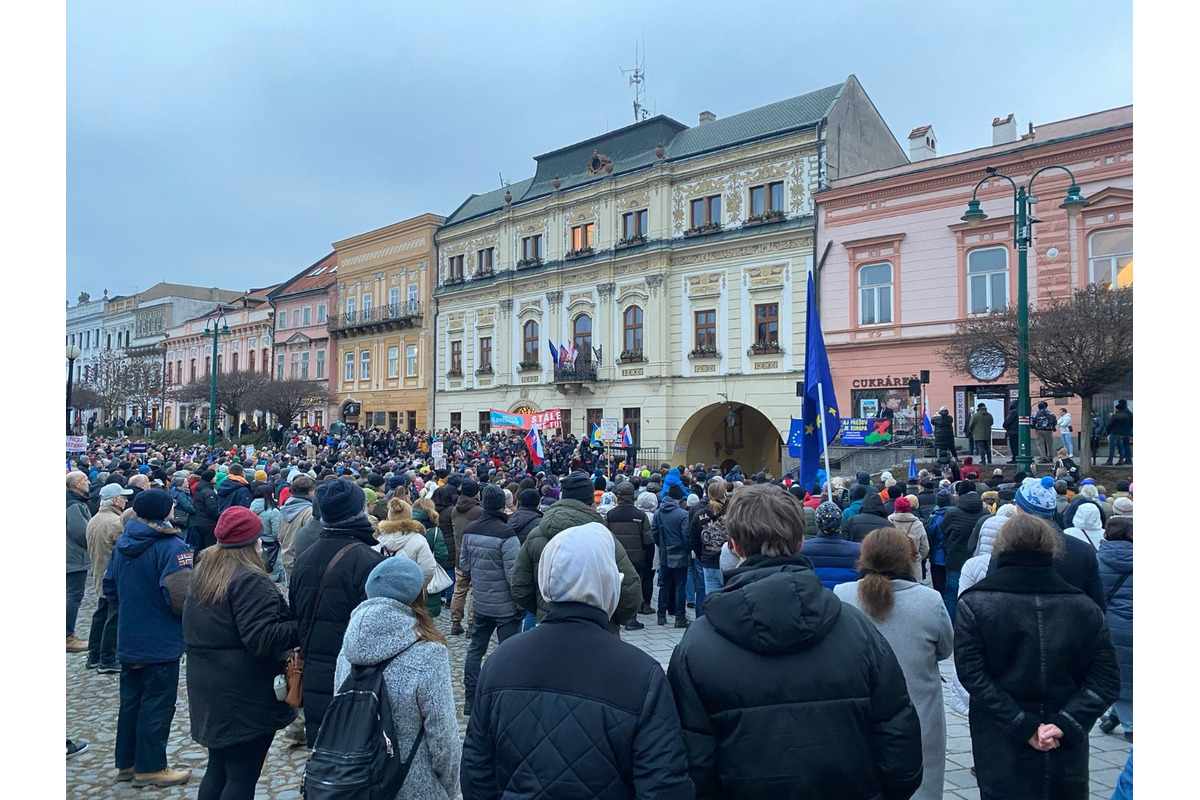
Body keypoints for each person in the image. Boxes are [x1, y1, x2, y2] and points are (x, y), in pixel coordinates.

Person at [667, 484, 922, 799]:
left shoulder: (697, 645)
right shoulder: (858, 629)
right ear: (800, 542)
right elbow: (900, 740)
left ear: (735, 546)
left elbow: (690, 760)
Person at [461, 522, 693, 800]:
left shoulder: (500, 661)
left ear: (545, 580)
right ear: (608, 582)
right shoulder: (642, 675)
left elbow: (476, 769)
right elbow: (664, 786)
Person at [955, 514, 1119, 800]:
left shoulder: (975, 603)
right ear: (1052, 549)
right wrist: (1065, 723)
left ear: (1001, 547)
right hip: (1062, 742)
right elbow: (1106, 680)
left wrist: (1023, 724)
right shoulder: (1085, 607)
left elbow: (973, 676)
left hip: (1002, 737)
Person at [183, 506, 299, 800]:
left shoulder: (205, 570)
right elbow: (262, 638)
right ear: (253, 541)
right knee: (241, 776)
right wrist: (302, 625)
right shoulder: (248, 579)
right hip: (242, 692)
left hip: (210, 684)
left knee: (219, 769)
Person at [834, 528, 954, 800]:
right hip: (919, 712)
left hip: (860, 713)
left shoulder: (843, 596)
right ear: (906, 558)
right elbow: (945, 650)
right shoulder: (930, 601)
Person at [335, 557, 461, 799]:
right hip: (413, 785)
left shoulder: (347, 649)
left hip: (356, 781)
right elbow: (444, 739)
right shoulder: (429, 653)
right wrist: (450, 790)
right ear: (419, 595)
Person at [103, 488, 195, 787]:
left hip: (130, 634)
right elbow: (180, 598)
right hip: (160, 638)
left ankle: (127, 762)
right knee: (158, 702)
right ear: (165, 511)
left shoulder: (123, 542)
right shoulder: (172, 547)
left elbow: (109, 586)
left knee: (131, 701)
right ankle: (151, 766)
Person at [288, 478, 386, 744]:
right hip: (355, 674)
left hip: (314, 669)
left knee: (322, 748)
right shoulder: (369, 561)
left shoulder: (304, 558)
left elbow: (294, 613)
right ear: (358, 512)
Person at [510, 471, 641, 635]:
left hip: (550, 627)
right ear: (591, 503)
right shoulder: (604, 538)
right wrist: (610, 617)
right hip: (598, 630)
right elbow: (630, 589)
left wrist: (542, 608)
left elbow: (519, 586)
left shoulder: (536, 534)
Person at [459, 485, 524, 715]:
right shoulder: (507, 534)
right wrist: (520, 604)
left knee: (475, 650)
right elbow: (513, 575)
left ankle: (470, 699)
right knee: (508, 654)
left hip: (481, 603)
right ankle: (505, 700)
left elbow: (464, 565)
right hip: (506, 607)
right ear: (502, 506)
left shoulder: (470, 530)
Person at [85, 482, 133, 672]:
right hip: (113, 577)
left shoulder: (95, 519)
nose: (126, 500)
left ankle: (94, 655)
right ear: (115, 500)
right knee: (113, 619)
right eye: (123, 497)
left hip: (99, 573)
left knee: (101, 616)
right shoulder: (115, 523)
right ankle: (107, 659)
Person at [1096, 516, 1133, 742]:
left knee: (1118, 675)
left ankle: (1130, 725)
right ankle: (1116, 717)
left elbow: (1096, 596)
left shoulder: (1099, 561)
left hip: (1114, 624)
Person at [605, 481, 654, 629]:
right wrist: (648, 560)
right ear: (633, 496)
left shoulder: (610, 515)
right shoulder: (640, 515)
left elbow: (606, 538)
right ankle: (632, 619)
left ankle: (616, 617)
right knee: (634, 587)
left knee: (616, 587)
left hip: (616, 558)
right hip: (636, 559)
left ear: (618, 496)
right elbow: (648, 540)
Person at [939, 486, 990, 621]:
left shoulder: (953, 513)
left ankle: (951, 624)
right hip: (977, 560)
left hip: (955, 559)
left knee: (951, 595)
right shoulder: (985, 513)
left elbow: (942, 530)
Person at [653, 484, 693, 627]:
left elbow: (654, 532)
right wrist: (687, 549)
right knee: (680, 587)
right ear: (679, 498)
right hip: (680, 553)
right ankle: (680, 617)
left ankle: (661, 615)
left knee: (664, 585)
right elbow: (686, 535)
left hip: (665, 552)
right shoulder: (682, 514)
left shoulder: (658, 512)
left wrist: (661, 545)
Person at [800, 501, 861, 589]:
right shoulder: (858, 550)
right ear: (840, 521)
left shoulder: (803, 549)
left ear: (817, 522)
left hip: (815, 594)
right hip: (845, 595)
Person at [449, 479, 483, 636]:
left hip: (459, 555)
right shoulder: (479, 511)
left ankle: (455, 622)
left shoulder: (454, 510)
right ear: (476, 493)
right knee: (474, 592)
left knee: (459, 590)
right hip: (475, 556)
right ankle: (471, 625)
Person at [66, 470, 93, 653]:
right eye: (85, 480)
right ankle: (67, 636)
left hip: (72, 555)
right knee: (74, 595)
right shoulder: (74, 504)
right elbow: (81, 532)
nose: (88, 483)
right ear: (77, 484)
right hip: (74, 556)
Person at [689, 480, 729, 601]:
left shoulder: (699, 514)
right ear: (724, 494)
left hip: (709, 562)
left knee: (712, 600)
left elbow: (693, 539)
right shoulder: (732, 513)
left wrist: (703, 556)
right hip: (728, 561)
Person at [412, 497, 451, 617]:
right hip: (429, 576)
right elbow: (442, 555)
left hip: (411, 575)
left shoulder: (408, 528)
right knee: (429, 612)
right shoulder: (434, 531)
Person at [277, 474, 315, 576]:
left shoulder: (283, 509)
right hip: (301, 562)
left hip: (286, 558)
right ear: (310, 492)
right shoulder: (309, 512)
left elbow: (279, 535)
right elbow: (310, 539)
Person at [886, 497, 929, 581]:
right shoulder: (918, 524)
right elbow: (925, 548)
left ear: (896, 507)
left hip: (893, 566)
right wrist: (918, 558)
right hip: (913, 565)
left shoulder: (889, 522)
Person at [250, 485, 283, 583]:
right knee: (273, 569)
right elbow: (276, 532)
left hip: (255, 542)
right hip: (271, 544)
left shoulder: (251, 508)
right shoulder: (273, 511)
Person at [191, 469, 221, 552]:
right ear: (210, 478)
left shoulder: (200, 489)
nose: (216, 478)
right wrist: (219, 517)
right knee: (210, 548)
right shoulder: (209, 492)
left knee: (200, 546)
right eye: (214, 477)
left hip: (200, 521)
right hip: (209, 523)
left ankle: (197, 560)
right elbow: (212, 509)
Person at [1105, 399, 1133, 466]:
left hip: (1116, 433)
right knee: (1122, 447)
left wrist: (1108, 432)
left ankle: (1111, 460)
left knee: (1114, 447)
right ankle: (1123, 460)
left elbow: (1109, 424)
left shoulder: (1117, 415)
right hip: (1124, 432)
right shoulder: (1128, 413)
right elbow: (1131, 423)